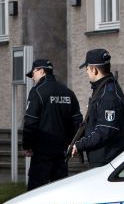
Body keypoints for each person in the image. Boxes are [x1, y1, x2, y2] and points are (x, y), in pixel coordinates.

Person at [22, 58, 82, 189]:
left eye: (33, 73)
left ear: (42, 71)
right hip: (62, 153)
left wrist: (27, 145)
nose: (32, 77)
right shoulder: (68, 92)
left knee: (35, 194)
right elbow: (77, 121)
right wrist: (75, 144)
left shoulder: (37, 91)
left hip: (42, 153)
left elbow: (30, 121)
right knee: (59, 192)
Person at [70, 48, 124, 167]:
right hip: (103, 158)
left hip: (106, 161)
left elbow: (104, 131)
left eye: (87, 69)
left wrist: (81, 144)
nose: (87, 72)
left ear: (94, 70)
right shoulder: (103, 90)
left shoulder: (108, 95)